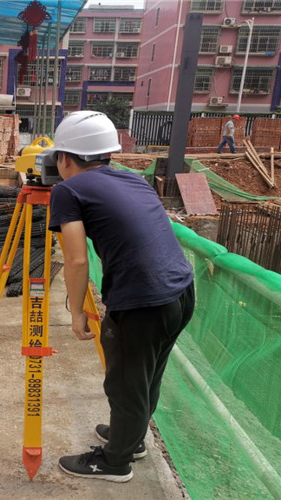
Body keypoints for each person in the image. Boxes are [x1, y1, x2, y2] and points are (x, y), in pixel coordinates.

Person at [45, 111, 195, 483]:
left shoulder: (68, 190)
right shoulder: (135, 180)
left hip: (142, 302)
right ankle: (132, 438)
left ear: (64, 158)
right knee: (147, 376)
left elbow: (77, 259)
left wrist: (76, 311)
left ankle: (115, 462)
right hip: (181, 292)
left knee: (125, 383)